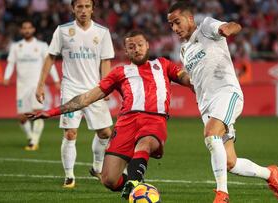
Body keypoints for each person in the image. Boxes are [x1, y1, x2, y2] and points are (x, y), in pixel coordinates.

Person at [27, 30, 192, 199]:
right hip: (126, 123)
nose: (136, 49)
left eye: (140, 45)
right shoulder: (119, 72)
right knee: (109, 179)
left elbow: (185, 78)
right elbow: (86, 98)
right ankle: (138, 189)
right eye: (131, 46)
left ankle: (134, 184)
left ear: (148, 45)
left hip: (154, 119)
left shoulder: (163, 64)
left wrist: (196, 84)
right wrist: (52, 112)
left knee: (145, 143)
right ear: (126, 52)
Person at [167, 2, 278, 203]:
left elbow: (234, 25)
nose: (174, 28)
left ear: (189, 19)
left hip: (227, 93)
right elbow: (195, 81)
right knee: (230, 162)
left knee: (211, 134)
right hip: (206, 105)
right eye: (171, 25)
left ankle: (222, 194)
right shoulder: (184, 50)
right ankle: (269, 173)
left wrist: (227, 28)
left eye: (177, 22)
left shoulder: (206, 27)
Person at [35, 0, 114, 188]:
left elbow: (105, 61)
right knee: (70, 133)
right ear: (73, 9)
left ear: (93, 9)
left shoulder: (102, 32)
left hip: (94, 89)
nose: (84, 10)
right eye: (79, 6)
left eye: (87, 6)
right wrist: (40, 85)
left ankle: (97, 167)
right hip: (71, 89)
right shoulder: (62, 31)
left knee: (105, 133)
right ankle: (69, 176)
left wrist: (107, 86)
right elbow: (50, 57)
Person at [3, 19, 60, 151]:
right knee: (22, 117)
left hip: (37, 86)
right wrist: (6, 77)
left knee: (37, 113)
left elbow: (49, 64)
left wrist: (56, 80)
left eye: (29, 28)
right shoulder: (16, 47)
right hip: (22, 86)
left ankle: (34, 141)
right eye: (24, 28)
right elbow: (11, 63)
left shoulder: (41, 45)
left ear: (33, 30)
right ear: (21, 30)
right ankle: (30, 137)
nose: (27, 30)